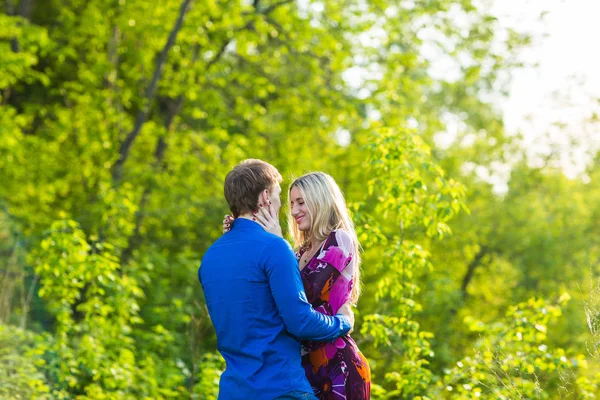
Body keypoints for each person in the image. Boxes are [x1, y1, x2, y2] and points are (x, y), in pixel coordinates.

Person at [199, 159, 352, 400]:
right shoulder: (274, 248)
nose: (287, 208)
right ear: (264, 198)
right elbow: (300, 322)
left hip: (233, 391)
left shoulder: (209, 258)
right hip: (281, 388)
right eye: (280, 196)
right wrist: (342, 322)